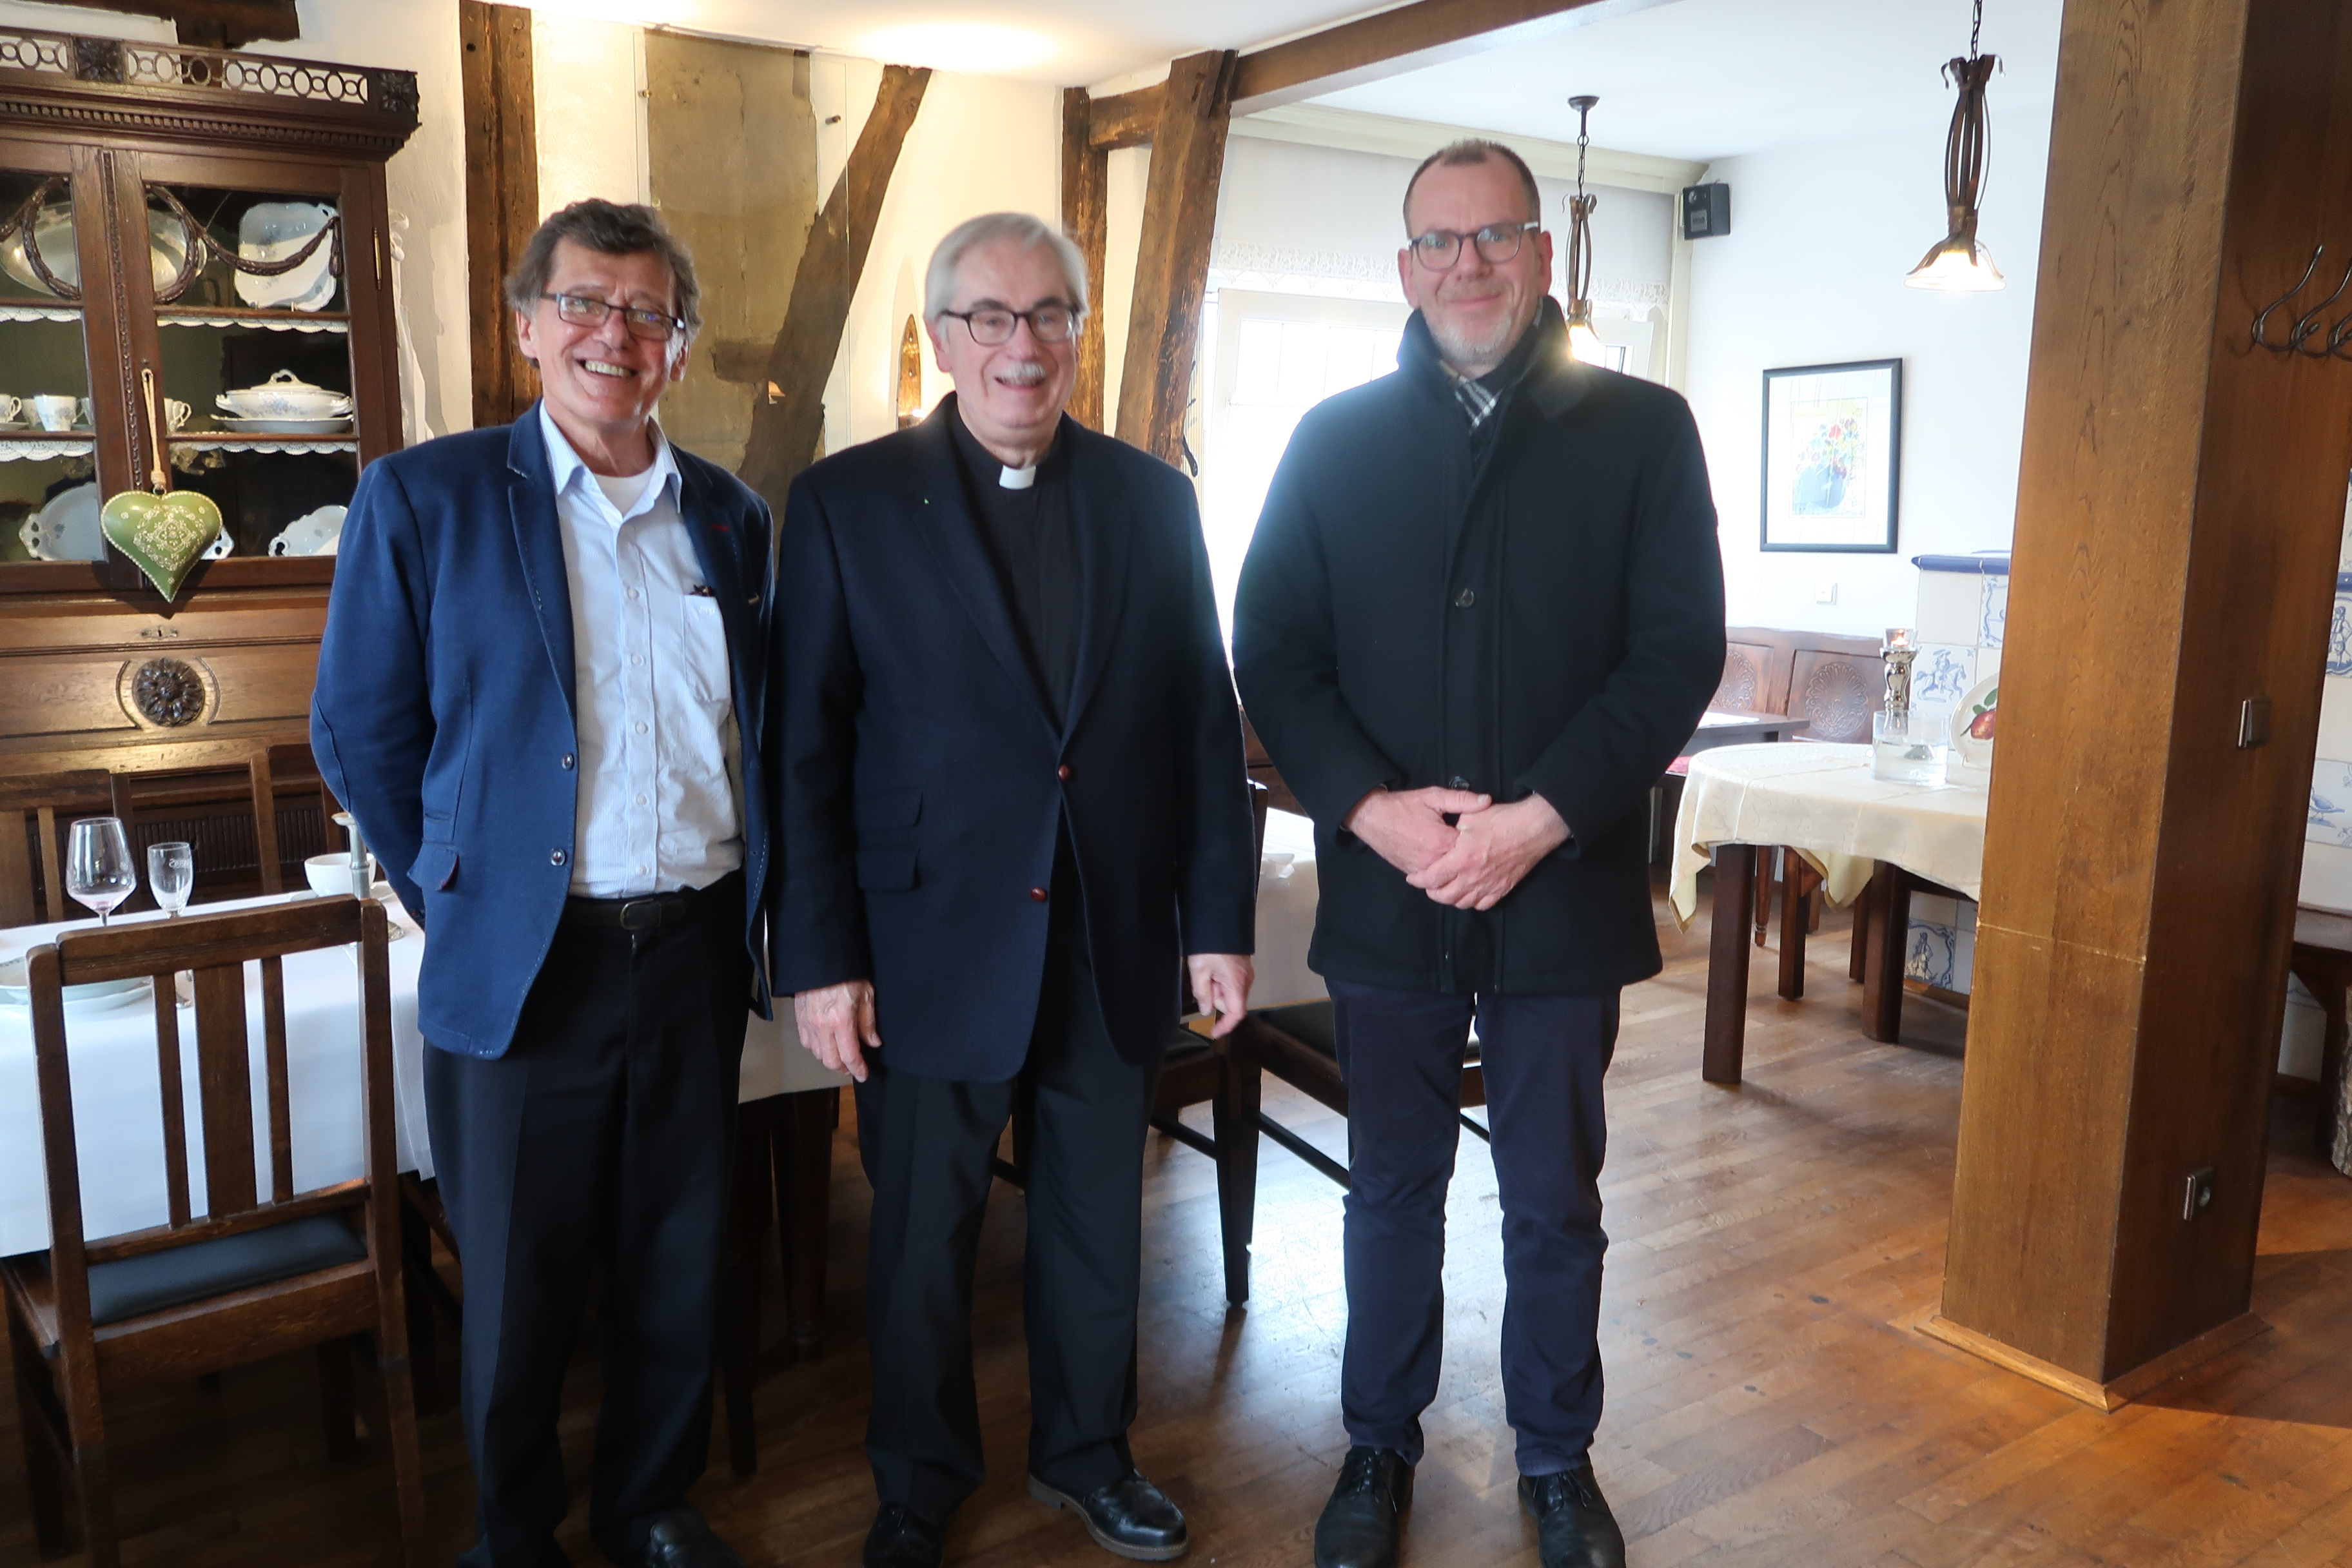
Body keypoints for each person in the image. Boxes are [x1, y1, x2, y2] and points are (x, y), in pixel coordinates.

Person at [1231, 141, 1726, 1568]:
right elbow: (1274, 650)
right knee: (1392, 1186)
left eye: (1496, 235)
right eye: (1440, 242)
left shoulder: (1644, 431)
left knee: (1553, 1199)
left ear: (1542, 253)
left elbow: (1675, 652)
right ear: (1404, 268)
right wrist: (1371, 808)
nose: (1469, 264)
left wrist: (1541, 817)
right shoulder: (1332, 439)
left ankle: (1557, 1458)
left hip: (1561, 894)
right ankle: (1376, 1444)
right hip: (1389, 896)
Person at [774, 211, 1257, 1568]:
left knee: (1098, 1225)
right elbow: (804, 750)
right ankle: (918, 1480)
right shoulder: (847, 501)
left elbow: (1201, 727)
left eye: (1049, 315)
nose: (1021, 345)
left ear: (1076, 336)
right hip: (923, 940)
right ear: (942, 340)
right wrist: (821, 956)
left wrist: (1217, 924)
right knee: (922, 1238)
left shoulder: (1154, 501)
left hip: (1110, 932)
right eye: (989, 317)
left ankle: (1088, 1455)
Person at [312, 199, 772, 1568]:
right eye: (583, 303)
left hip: (695, 945)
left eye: (646, 312)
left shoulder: (734, 518)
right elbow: (361, 729)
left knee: (679, 1250)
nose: (612, 334)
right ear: (527, 325)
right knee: (516, 1275)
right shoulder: (427, 498)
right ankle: (513, 1537)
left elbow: (762, 734)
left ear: (677, 344)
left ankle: (651, 1505)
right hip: (526, 959)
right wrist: (452, 886)